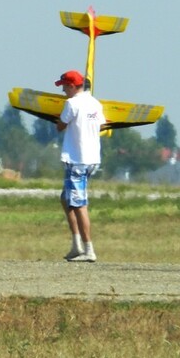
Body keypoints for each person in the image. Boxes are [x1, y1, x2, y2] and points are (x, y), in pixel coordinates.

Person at [54, 70, 105, 262]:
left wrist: (59, 120)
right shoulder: (95, 103)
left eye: (65, 87)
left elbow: (60, 125)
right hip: (92, 158)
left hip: (77, 159)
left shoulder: (72, 103)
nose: (64, 91)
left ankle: (88, 249)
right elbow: (100, 126)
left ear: (73, 86)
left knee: (78, 204)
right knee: (66, 199)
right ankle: (76, 245)